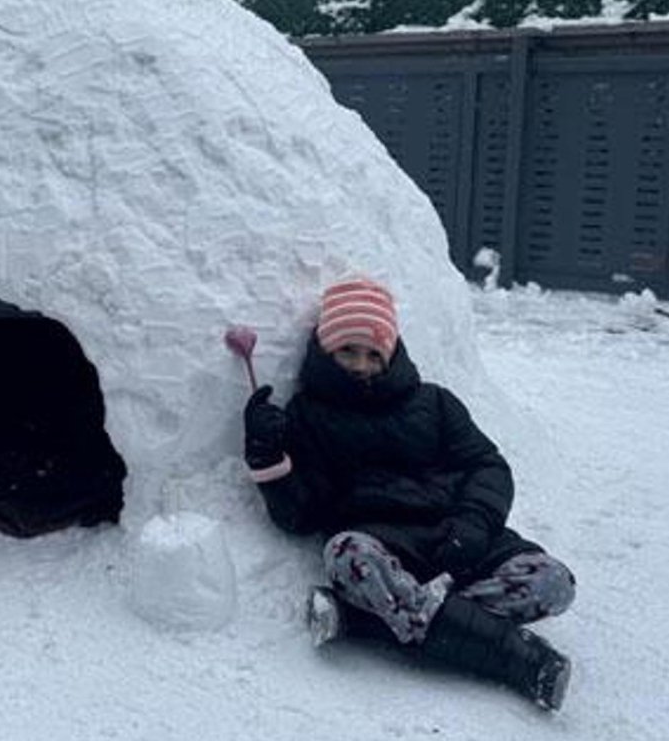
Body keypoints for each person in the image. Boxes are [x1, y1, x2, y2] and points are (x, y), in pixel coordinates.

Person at [243, 277, 576, 710]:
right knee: (346, 555)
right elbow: (301, 514)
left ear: (392, 352)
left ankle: (364, 621)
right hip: (383, 548)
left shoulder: (435, 403)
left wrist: (474, 524)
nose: (361, 364)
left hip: (460, 537)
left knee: (553, 582)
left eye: (373, 353)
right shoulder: (308, 416)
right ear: (325, 350)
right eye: (348, 350)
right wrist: (266, 456)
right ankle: (515, 658)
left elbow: (487, 465)